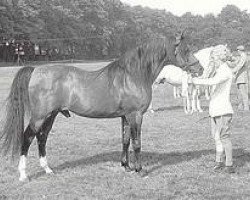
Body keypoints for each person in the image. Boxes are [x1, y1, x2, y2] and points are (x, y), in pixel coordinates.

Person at [191, 46, 235, 173]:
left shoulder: (225, 70)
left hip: (223, 109)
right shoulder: (219, 69)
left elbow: (212, 82)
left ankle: (229, 165)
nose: (212, 59)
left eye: (214, 57)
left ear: (220, 57)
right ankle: (219, 161)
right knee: (216, 136)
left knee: (224, 137)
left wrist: (194, 80)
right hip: (215, 109)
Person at [231, 45, 249, 111]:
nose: (237, 51)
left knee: (243, 93)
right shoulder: (242, 56)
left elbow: (240, 65)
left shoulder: (243, 56)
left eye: (237, 50)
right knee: (239, 93)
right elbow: (236, 64)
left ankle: (246, 107)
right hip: (239, 77)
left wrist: (232, 71)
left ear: (239, 50)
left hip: (242, 77)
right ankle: (240, 106)